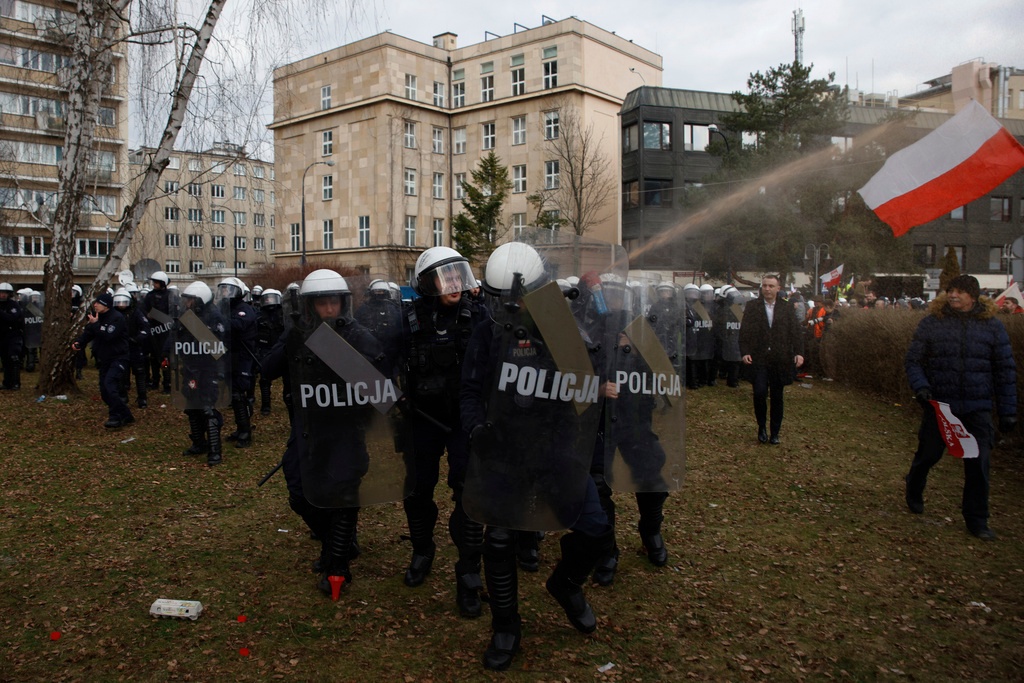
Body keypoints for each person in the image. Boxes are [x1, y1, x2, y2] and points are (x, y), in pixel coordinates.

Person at [461, 241, 613, 671]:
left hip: (556, 445)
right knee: (500, 539)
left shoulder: (560, 325)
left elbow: (584, 391)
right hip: (505, 450)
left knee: (596, 530)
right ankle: (505, 625)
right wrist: (477, 429)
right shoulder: (487, 331)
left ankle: (566, 584)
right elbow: (471, 389)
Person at [399, 246, 489, 619]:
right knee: (417, 490)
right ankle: (422, 550)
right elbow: (379, 356)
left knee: (469, 496)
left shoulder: (480, 316)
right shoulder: (409, 319)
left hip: (463, 421)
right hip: (421, 418)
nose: (454, 282)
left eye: (458, 274)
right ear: (426, 282)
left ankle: (469, 575)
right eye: (445, 275)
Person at [904, 275, 1017, 541]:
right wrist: (921, 386)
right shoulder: (933, 323)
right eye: (950, 291)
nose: (953, 295)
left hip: (977, 407)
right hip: (940, 405)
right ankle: (914, 485)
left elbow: (1005, 371)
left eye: (960, 292)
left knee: (978, 464)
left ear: (973, 296)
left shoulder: (991, 327)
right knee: (929, 455)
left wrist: (1008, 410)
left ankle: (977, 519)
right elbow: (913, 360)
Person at [738, 274, 805, 445]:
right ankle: (761, 427)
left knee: (777, 396)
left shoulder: (787, 308)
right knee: (759, 392)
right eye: (765, 286)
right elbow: (744, 331)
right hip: (759, 358)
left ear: (778, 288)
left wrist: (799, 352)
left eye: (771, 286)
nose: (767, 289)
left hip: (779, 358)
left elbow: (795, 332)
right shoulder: (752, 307)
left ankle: (775, 432)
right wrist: (744, 351)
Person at [174, 281, 229, 467]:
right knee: (191, 406)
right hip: (191, 368)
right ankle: (198, 443)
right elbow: (178, 338)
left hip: (208, 369)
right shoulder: (187, 316)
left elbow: (216, 345)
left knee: (208, 409)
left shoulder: (214, 316)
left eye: (190, 300)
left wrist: (192, 325)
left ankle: (215, 450)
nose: (187, 303)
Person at [72, 292, 134, 428]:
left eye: (98, 303)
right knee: (104, 391)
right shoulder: (97, 318)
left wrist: (95, 325)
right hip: (105, 359)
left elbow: (108, 336)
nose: (95, 305)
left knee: (110, 386)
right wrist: (79, 343)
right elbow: (89, 333)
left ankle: (115, 417)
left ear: (106, 305)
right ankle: (125, 414)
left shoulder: (117, 318)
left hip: (119, 358)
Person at [217, 277, 257, 448]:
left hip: (243, 356)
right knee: (232, 394)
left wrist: (218, 323)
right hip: (227, 355)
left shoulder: (244, 309)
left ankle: (245, 432)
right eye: (223, 289)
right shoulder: (222, 309)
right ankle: (240, 427)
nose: (226, 293)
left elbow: (238, 325)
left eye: (229, 289)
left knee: (239, 394)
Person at [112, 288, 151, 408]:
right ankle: (123, 396)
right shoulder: (113, 314)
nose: (121, 305)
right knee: (122, 374)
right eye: (118, 302)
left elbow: (145, 327)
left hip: (134, 347)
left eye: (124, 302)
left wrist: (137, 339)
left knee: (140, 373)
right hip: (120, 348)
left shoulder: (135, 312)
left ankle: (142, 397)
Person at [254, 288, 285, 414]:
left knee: (288, 378)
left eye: (272, 298)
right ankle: (266, 405)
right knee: (265, 378)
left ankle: (290, 400)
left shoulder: (283, 315)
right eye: (267, 298)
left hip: (281, 347)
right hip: (265, 348)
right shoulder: (259, 315)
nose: (270, 301)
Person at [143, 271, 174, 393]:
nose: (154, 284)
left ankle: (167, 384)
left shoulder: (170, 295)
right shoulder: (149, 296)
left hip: (165, 331)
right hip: (153, 330)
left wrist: (160, 317)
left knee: (164, 357)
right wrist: (148, 315)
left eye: (156, 282)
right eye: (153, 282)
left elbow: (173, 312)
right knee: (153, 358)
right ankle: (155, 381)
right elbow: (143, 309)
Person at [0, 282, 24, 390]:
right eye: (1, 293)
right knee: (5, 359)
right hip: (2, 335)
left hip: (13, 335)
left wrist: (1, 314)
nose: (3, 295)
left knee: (13, 358)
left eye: (5, 293)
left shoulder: (14, 305)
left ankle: (16, 383)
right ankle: (6, 383)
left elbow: (12, 318)